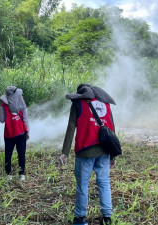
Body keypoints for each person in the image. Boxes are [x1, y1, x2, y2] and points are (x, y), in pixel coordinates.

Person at [60, 84, 117, 225]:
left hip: (85, 151)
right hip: (104, 150)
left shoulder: (78, 103)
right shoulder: (105, 103)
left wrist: (64, 153)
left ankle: (80, 218)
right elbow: (111, 130)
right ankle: (107, 218)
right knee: (104, 183)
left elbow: (71, 126)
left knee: (82, 185)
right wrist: (113, 155)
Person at [0, 86, 30, 181]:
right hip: (21, 133)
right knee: (21, 154)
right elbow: (25, 118)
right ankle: (21, 174)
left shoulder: (3, 106)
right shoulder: (21, 104)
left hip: (8, 134)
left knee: (8, 154)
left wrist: (2, 109)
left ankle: (9, 174)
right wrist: (27, 131)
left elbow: (1, 120)